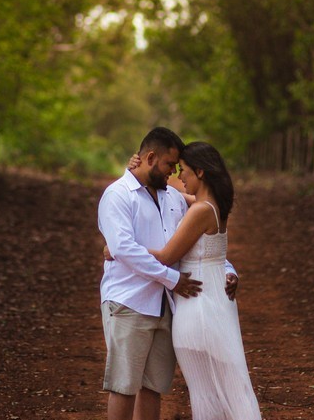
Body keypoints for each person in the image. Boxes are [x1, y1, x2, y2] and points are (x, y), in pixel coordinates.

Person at [98, 127, 213, 420]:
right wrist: (172, 279)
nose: (173, 172)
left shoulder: (173, 197)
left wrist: (226, 268)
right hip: (129, 301)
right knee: (124, 386)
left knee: (153, 387)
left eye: (177, 167)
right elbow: (123, 249)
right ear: (150, 158)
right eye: (169, 165)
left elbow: (205, 228)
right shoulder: (117, 195)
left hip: (166, 305)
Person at [147, 141, 262, 420]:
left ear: (200, 172)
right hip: (215, 301)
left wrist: (119, 250)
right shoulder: (215, 205)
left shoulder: (200, 211)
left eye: (183, 170)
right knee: (227, 384)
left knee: (206, 388)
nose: (179, 177)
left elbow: (166, 257)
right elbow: (173, 195)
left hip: (198, 307)